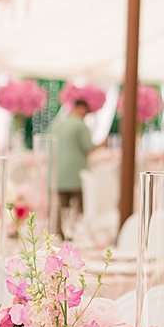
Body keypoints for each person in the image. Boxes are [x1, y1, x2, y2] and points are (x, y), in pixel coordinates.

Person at [50, 98, 102, 237]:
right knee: (79, 209)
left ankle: (59, 237)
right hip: (75, 174)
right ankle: (78, 236)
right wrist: (103, 143)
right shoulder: (80, 125)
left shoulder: (56, 124)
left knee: (61, 209)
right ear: (81, 108)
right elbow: (89, 148)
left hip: (57, 173)